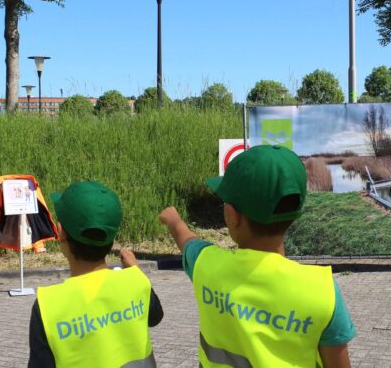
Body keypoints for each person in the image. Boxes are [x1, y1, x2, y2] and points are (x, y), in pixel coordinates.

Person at [159, 145, 356, 368]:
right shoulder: (323, 290)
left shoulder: (206, 264)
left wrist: (173, 220)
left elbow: (187, 240)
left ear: (232, 216)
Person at [28, 181, 164, 368]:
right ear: (111, 237)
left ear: (60, 232)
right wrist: (135, 270)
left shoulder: (48, 305)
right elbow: (155, 316)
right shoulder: (136, 281)